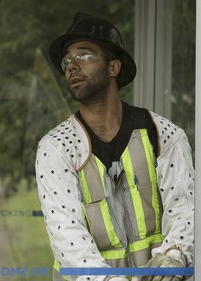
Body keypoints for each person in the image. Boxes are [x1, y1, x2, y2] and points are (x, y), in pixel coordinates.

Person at [35, 12, 194, 281]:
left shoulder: (163, 135)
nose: (71, 65)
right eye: (67, 60)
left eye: (83, 55)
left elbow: (186, 211)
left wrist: (174, 254)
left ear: (113, 68)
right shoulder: (56, 148)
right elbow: (68, 237)